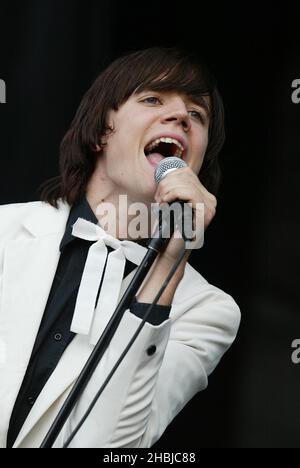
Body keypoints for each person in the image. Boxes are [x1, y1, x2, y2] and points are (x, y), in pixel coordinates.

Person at [0, 47, 240, 448]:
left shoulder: (207, 310)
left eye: (197, 115)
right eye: (152, 99)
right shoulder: (4, 233)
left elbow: (113, 447)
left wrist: (165, 271)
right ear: (100, 132)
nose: (181, 116)